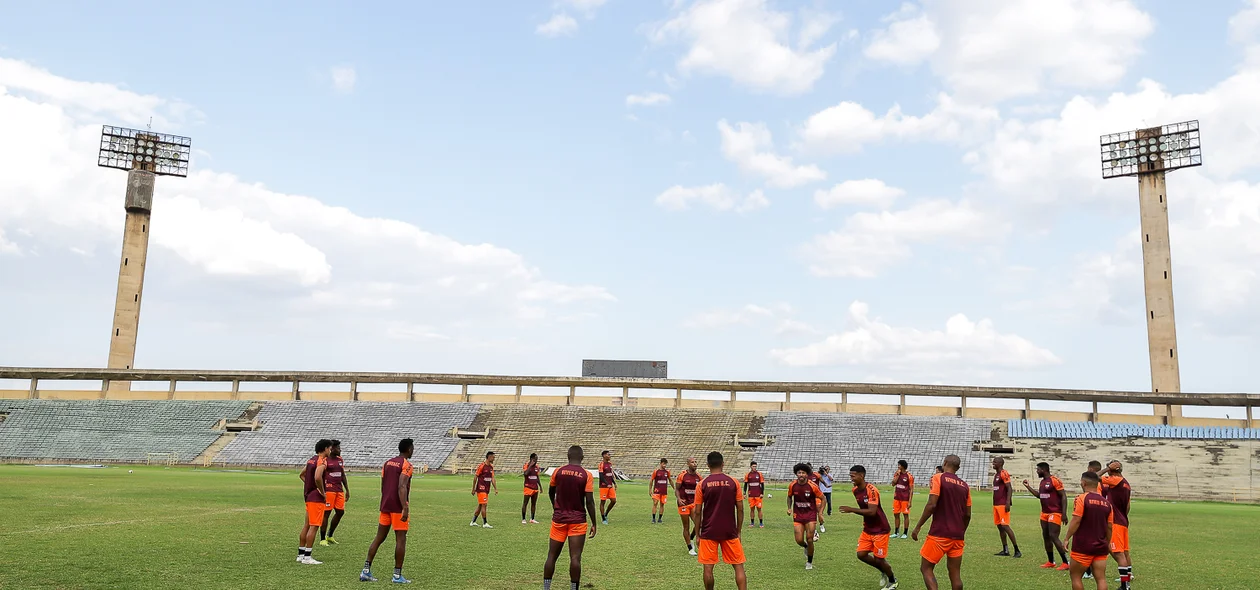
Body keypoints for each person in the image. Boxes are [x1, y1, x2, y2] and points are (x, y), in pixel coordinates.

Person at [911, 454, 972, 590]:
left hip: (940, 533)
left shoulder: (938, 477)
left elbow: (932, 505)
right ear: (958, 468)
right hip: (957, 536)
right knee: (955, 575)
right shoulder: (965, 486)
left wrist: (918, 527)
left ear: (944, 463)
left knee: (926, 568)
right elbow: (967, 515)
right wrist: (961, 531)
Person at [542, 445, 598, 590]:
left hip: (559, 519)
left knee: (551, 556)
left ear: (567, 456)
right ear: (582, 458)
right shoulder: (586, 475)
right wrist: (594, 522)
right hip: (578, 521)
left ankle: (546, 588)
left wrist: (555, 506)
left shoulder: (558, 471)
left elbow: (550, 492)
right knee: (575, 558)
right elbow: (590, 501)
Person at [360, 438, 415, 583]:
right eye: (412, 448)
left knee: (379, 537)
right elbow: (402, 486)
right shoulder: (407, 465)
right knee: (401, 539)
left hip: (385, 505)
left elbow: (383, 484)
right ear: (409, 449)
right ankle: (397, 575)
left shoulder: (387, 463)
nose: (413, 450)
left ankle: (366, 571)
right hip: (397, 507)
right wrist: (405, 507)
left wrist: (385, 499)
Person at [694, 451, 748, 590]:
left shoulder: (702, 484)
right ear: (723, 464)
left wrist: (698, 534)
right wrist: (738, 531)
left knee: (708, 568)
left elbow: (698, 511)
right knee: (738, 566)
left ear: (708, 465)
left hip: (708, 531)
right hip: (730, 530)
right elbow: (740, 509)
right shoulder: (733, 482)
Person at [839, 465, 898, 590]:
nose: (851, 479)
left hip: (881, 529)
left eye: (853, 476)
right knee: (861, 554)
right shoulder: (855, 490)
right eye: (850, 476)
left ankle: (893, 581)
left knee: (879, 559)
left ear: (861, 475)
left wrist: (851, 510)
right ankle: (882, 570)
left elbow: (872, 511)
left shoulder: (871, 490)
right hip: (868, 528)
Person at [1064, 471, 1113, 590]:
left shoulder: (1081, 498)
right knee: (1101, 578)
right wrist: (1107, 542)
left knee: (1076, 577)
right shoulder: (1107, 504)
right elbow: (1110, 526)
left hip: (1083, 546)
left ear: (1083, 482)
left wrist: (1066, 538)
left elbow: (1076, 520)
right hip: (1100, 546)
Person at [1023, 462, 1070, 570]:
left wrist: (1064, 513)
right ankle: (1051, 561)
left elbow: (1063, 496)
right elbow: (1040, 496)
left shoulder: (1054, 480)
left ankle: (1066, 562)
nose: (1037, 471)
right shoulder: (1042, 482)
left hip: (1055, 512)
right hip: (1044, 513)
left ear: (1044, 470)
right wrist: (1028, 487)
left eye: (1038, 470)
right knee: (1046, 537)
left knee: (1054, 536)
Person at [297, 438, 331, 565]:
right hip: (316, 499)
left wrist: (309, 486)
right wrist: (322, 491)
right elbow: (317, 476)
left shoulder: (311, 459)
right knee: (314, 526)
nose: (330, 450)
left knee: (306, 525)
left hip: (308, 497)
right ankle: (307, 557)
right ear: (326, 448)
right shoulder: (322, 461)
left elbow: (302, 475)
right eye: (330, 448)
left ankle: (300, 554)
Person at [1101, 461, 1133, 590]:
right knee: (1124, 553)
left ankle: (1124, 585)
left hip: (1116, 522)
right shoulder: (1126, 483)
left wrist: (1106, 468)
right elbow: (1128, 506)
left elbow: (1092, 477)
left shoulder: (1115, 480)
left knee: (1117, 553)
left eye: (1110, 469)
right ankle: (1127, 581)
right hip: (1123, 521)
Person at [787, 463, 823, 570]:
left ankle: (809, 562)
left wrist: (820, 513)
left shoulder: (813, 486)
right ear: (796, 474)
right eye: (799, 473)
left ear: (807, 474)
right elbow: (789, 497)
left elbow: (823, 499)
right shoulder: (792, 485)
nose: (801, 474)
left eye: (803, 473)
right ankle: (805, 546)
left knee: (810, 539)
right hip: (798, 515)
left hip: (810, 515)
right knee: (799, 540)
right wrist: (789, 507)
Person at [319, 439, 349, 546]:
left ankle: (330, 535)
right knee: (326, 513)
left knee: (340, 512)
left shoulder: (340, 459)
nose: (340, 450)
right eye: (338, 448)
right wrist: (322, 490)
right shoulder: (325, 460)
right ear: (332, 449)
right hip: (329, 490)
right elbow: (320, 475)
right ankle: (322, 539)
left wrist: (347, 490)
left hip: (339, 490)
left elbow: (342, 475)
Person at [991, 457, 1020, 557]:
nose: (993, 463)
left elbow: (1009, 488)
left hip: (1002, 504)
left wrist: (1008, 502)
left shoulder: (1004, 473)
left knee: (1005, 526)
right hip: (996, 504)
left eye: (995, 462)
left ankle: (1017, 550)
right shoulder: (996, 475)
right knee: (1000, 527)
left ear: (1000, 463)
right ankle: (1005, 550)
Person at [676, 457, 703, 555]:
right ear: (688, 464)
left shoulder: (699, 477)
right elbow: (677, 489)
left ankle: (691, 537)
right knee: (686, 526)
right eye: (692, 462)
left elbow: (702, 490)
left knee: (699, 523)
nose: (695, 464)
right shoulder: (682, 475)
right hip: (683, 504)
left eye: (696, 462)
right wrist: (679, 499)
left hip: (693, 503)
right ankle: (690, 548)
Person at [470, 451, 498, 528]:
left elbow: (492, 478)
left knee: (480, 505)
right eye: (493, 457)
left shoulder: (491, 467)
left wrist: (495, 488)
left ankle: (473, 521)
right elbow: (475, 477)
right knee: (484, 505)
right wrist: (473, 489)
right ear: (489, 457)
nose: (494, 459)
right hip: (481, 488)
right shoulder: (482, 466)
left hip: (486, 489)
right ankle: (485, 523)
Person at [891, 460, 915, 539]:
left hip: (905, 498)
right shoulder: (897, 474)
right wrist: (897, 475)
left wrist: (910, 501)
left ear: (903, 466)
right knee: (896, 514)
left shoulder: (909, 476)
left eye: (899, 465)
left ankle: (905, 533)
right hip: (896, 498)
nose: (898, 466)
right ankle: (896, 532)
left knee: (905, 515)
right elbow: (893, 484)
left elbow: (911, 489)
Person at [806, 462, 826, 537]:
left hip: (817, 496)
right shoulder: (805, 476)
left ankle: (821, 524)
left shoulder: (816, 475)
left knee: (819, 512)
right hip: (808, 497)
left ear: (811, 468)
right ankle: (813, 528)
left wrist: (826, 485)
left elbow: (822, 481)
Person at [743, 461, 765, 528]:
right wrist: (744, 493)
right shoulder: (748, 475)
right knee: (752, 509)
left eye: (755, 466)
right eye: (753, 466)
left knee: (759, 509)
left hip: (758, 495)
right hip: (751, 495)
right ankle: (752, 523)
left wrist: (762, 493)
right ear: (750, 467)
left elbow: (762, 484)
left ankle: (761, 523)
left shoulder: (759, 474)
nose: (754, 468)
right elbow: (745, 485)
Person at [598, 450, 617, 524]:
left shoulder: (610, 464)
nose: (610, 456)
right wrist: (606, 484)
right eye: (608, 455)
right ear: (604, 455)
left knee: (613, 501)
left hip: (610, 486)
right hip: (603, 486)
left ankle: (606, 513)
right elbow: (601, 476)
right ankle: (603, 518)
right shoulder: (601, 464)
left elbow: (610, 475)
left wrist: (614, 483)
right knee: (603, 502)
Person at [523, 453, 543, 524]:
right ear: (531, 459)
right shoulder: (526, 465)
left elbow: (537, 477)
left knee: (533, 504)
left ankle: (532, 518)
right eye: (535, 459)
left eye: (537, 459)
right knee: (525, 503)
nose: (536, 461)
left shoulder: (537, 467)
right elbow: (525, 474)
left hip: (535, 488)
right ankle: (523, 519)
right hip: (528, 487)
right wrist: (530, 465)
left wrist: (540, 486)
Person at [649, 458, 671, 524]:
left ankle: (660, 519)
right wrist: (650, 490)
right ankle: (653, 518)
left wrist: (674, 488)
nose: (665, 465)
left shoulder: (667, 472)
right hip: (656, 491)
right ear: (661, 463)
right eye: (664, 464)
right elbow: (651, 481)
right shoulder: (656, 472)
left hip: (664, 492)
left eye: (665, 464)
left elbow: (670, 480)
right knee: (655, 503)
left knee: (662, 505)